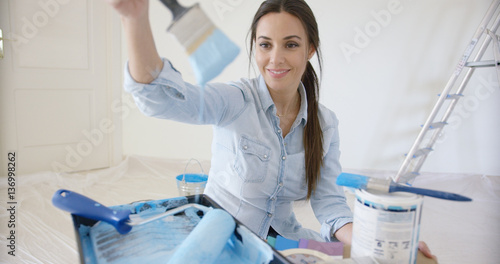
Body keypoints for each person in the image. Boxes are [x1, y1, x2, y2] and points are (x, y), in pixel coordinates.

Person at [105, 0, 437, 260]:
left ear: (310, 50)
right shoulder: (236, 100)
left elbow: (331, 206)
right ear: (255, 48)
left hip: (283, 242)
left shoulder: (325, 123)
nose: (275, 58)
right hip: (221, 237)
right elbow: (159, 98)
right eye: (265, 45)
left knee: (412, 261)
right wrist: (134, 17)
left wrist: (377, 244)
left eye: (290, 45)